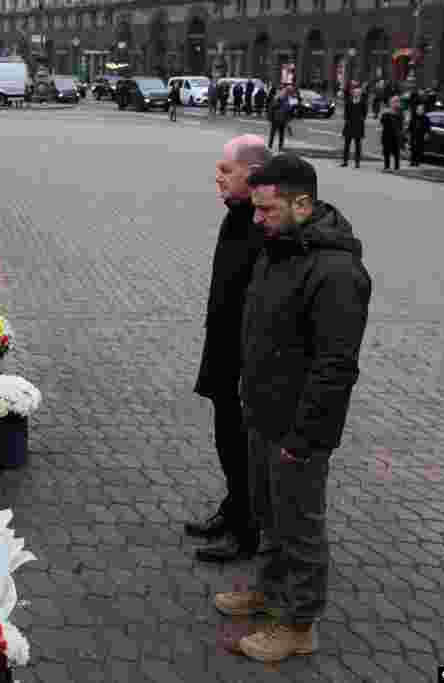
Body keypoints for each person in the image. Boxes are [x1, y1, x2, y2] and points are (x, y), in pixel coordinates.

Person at [214, 153, 371, 664]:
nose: (256, 220)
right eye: (255, 210)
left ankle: (298, 625)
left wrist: (304, 440)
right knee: (268, 514)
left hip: (297, 430)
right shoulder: (279, 246)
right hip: (261, 413)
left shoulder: (337, 271)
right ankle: (269, 591)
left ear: (302, 203)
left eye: (267, 210)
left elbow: (335, 369)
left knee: (300, 527)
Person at [190, 134, 273, 563]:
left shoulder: (263, 224)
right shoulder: (236, 216)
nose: (217, 178)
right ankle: (234, 506)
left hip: (248, 360)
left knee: (244, 443)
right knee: (226, 435)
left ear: (254, 175)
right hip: (224, 348)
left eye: (226, 170)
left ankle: (248, 529)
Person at [340, 87, 367, 168]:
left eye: (358, 92)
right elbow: (346, 112)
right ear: (353, 93)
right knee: (346, 145)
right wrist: (346, 119)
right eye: (355, 92)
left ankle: (357, 162)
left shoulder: (363, 102)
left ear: (360, 94)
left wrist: (361, 119)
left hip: (358, 126)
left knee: (358, 145)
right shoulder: (349, 101)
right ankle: (345, 161)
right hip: (349, 125)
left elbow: (364, 113)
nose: (356, 94)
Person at [379, 95, 404, 172]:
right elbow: (382, 121)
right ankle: (387, 167)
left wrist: (392, 114)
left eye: (396, 102)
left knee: (396, 152)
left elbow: (401, 123)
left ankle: (397, 167)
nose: (394, 103)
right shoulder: (386, 111)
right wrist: (386, 114)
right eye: (393, 102)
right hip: (387, 134)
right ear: (390, 103)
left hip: (396, 135)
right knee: (387, 151)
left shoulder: (400, 112)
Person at [267, 87, 293, 152]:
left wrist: (288, 119)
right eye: (289, 92)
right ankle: (270, 146)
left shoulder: (287, 99)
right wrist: (270, 118)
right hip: (276, 119)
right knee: (273, 133)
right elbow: (272, 108)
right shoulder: (278, 98)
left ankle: (280, 147)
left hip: (282, 119)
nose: (289, 94)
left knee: (281, 134)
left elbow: (288, 110)